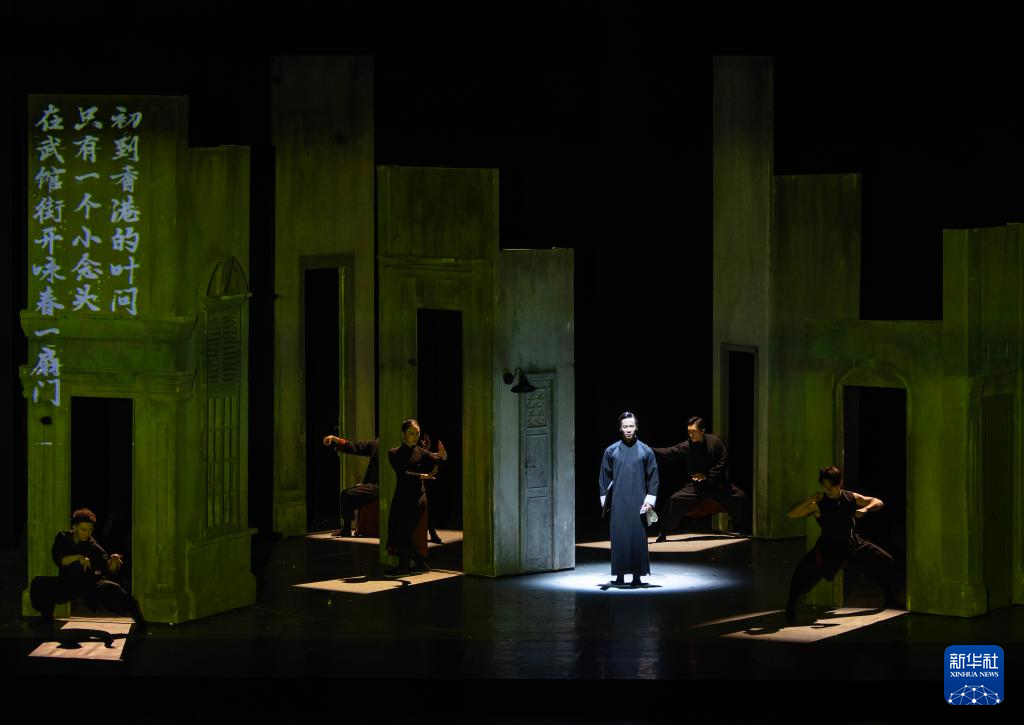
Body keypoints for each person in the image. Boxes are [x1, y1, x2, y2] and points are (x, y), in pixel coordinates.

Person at [783, 465, 899, 619]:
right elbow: (791, 514)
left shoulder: (850, 497)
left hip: (851, 543)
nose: (828, 490)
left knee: (886, 561)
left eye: (831, 486)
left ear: (839, 483)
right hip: (828, 546)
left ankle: (889, 598)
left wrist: (866, 509)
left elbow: (877, 502)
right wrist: (810, 499)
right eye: (825, 486)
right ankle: (790, 608)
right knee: (801, 574)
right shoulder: (818, 503)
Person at [30, 508, 147, 633]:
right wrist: (78, 557)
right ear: (74, 527)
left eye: (90, 530)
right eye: (84, 530)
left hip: (89, 584)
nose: (87, 533)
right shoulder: (63, 537)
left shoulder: (93, 545)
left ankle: (141, 622)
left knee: (117, 591)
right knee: (39, 584)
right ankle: (46, 618)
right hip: (69, 583)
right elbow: (60, 560)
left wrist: (113, 562)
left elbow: (108, 570)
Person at [651, 416, 748, 540]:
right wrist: (647, 450)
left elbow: (723, 461)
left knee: (740, 497)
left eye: (693, 431)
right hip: (697, 486)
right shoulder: (687, 446)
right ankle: (663, 531)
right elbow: (669, 452)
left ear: (702, 431)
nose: (690, 435)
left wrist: (708, 476)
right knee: (674, 500)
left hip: (717, 483)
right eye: (689, 431)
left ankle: (742, 527)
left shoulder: (715, 441)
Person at [599, 411, 659, 587]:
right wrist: (606, 501)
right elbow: (604, 477)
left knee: (637, 538)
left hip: (639, 501)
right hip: (618, 502)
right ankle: (619, 576)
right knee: (619, 538)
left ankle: (637, 577)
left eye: (631, 426)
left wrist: (649, 500)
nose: (628, 429)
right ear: (620, 428)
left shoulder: (645, 450)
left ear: (636, 427)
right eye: (625, 426)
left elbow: (653, 476)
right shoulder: (611, 450)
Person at [385, 419, 446, 575]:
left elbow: (439, 460)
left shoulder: (421, 452)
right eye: (411, 433)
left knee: (403, 534)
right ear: (403, 433)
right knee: (397, 533)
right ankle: (409, 566)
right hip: (401, 498)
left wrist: (443, 456)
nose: (415, 436)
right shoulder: (393, 453)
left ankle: (417, 565)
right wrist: (423, 476)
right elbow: (403, 474)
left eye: (417, 433)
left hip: (417, 499)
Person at [322, 435, 380, 537]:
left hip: (383, 485)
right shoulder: (376, 444)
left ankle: (347, 529)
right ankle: (346, 528)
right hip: (375, 485)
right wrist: (335, 439)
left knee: (347, 494)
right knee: (347, 494)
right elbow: (356, 446)